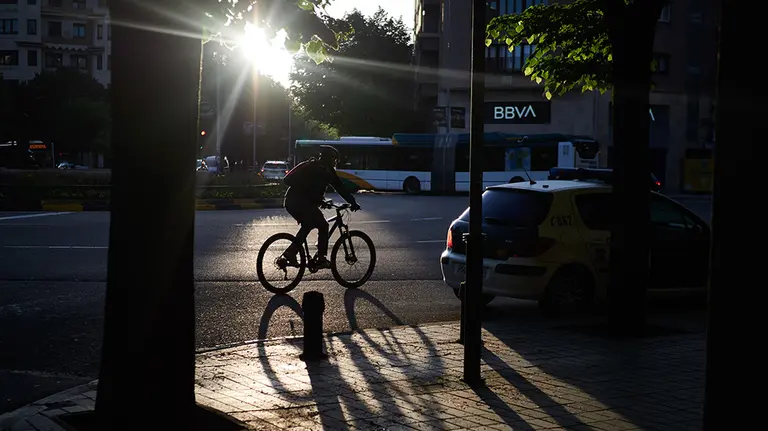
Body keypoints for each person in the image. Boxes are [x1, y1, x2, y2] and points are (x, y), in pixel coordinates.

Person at [279, 145, 361, 269]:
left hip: (292, 202)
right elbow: (338, 188)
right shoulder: (322, 170)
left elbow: (337, 187)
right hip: (300, 203)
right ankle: (320, 258)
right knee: (323, 225)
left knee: (309, 224)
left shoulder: (314, 166)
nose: (335, 163)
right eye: (334, 160)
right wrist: (353, 203)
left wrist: (321, 200)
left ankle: (292, 252)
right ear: (330, 159)